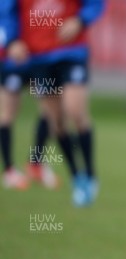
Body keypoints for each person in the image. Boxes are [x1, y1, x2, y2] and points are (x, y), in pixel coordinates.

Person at [2, 0, 105, 206]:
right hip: (39, 57)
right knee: (56, 122)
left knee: (75, 110)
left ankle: (91, 173)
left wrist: (80, 20)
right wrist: (12, 40)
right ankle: (77, 177)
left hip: (71, 52)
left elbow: (95, 3)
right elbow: (7, 11)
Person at [0, 20, 57, 190]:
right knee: (6, 113)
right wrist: (10, 43)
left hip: (39, 60)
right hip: (11, 61)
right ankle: (9, 170)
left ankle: (36, 162)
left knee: (50, 111)